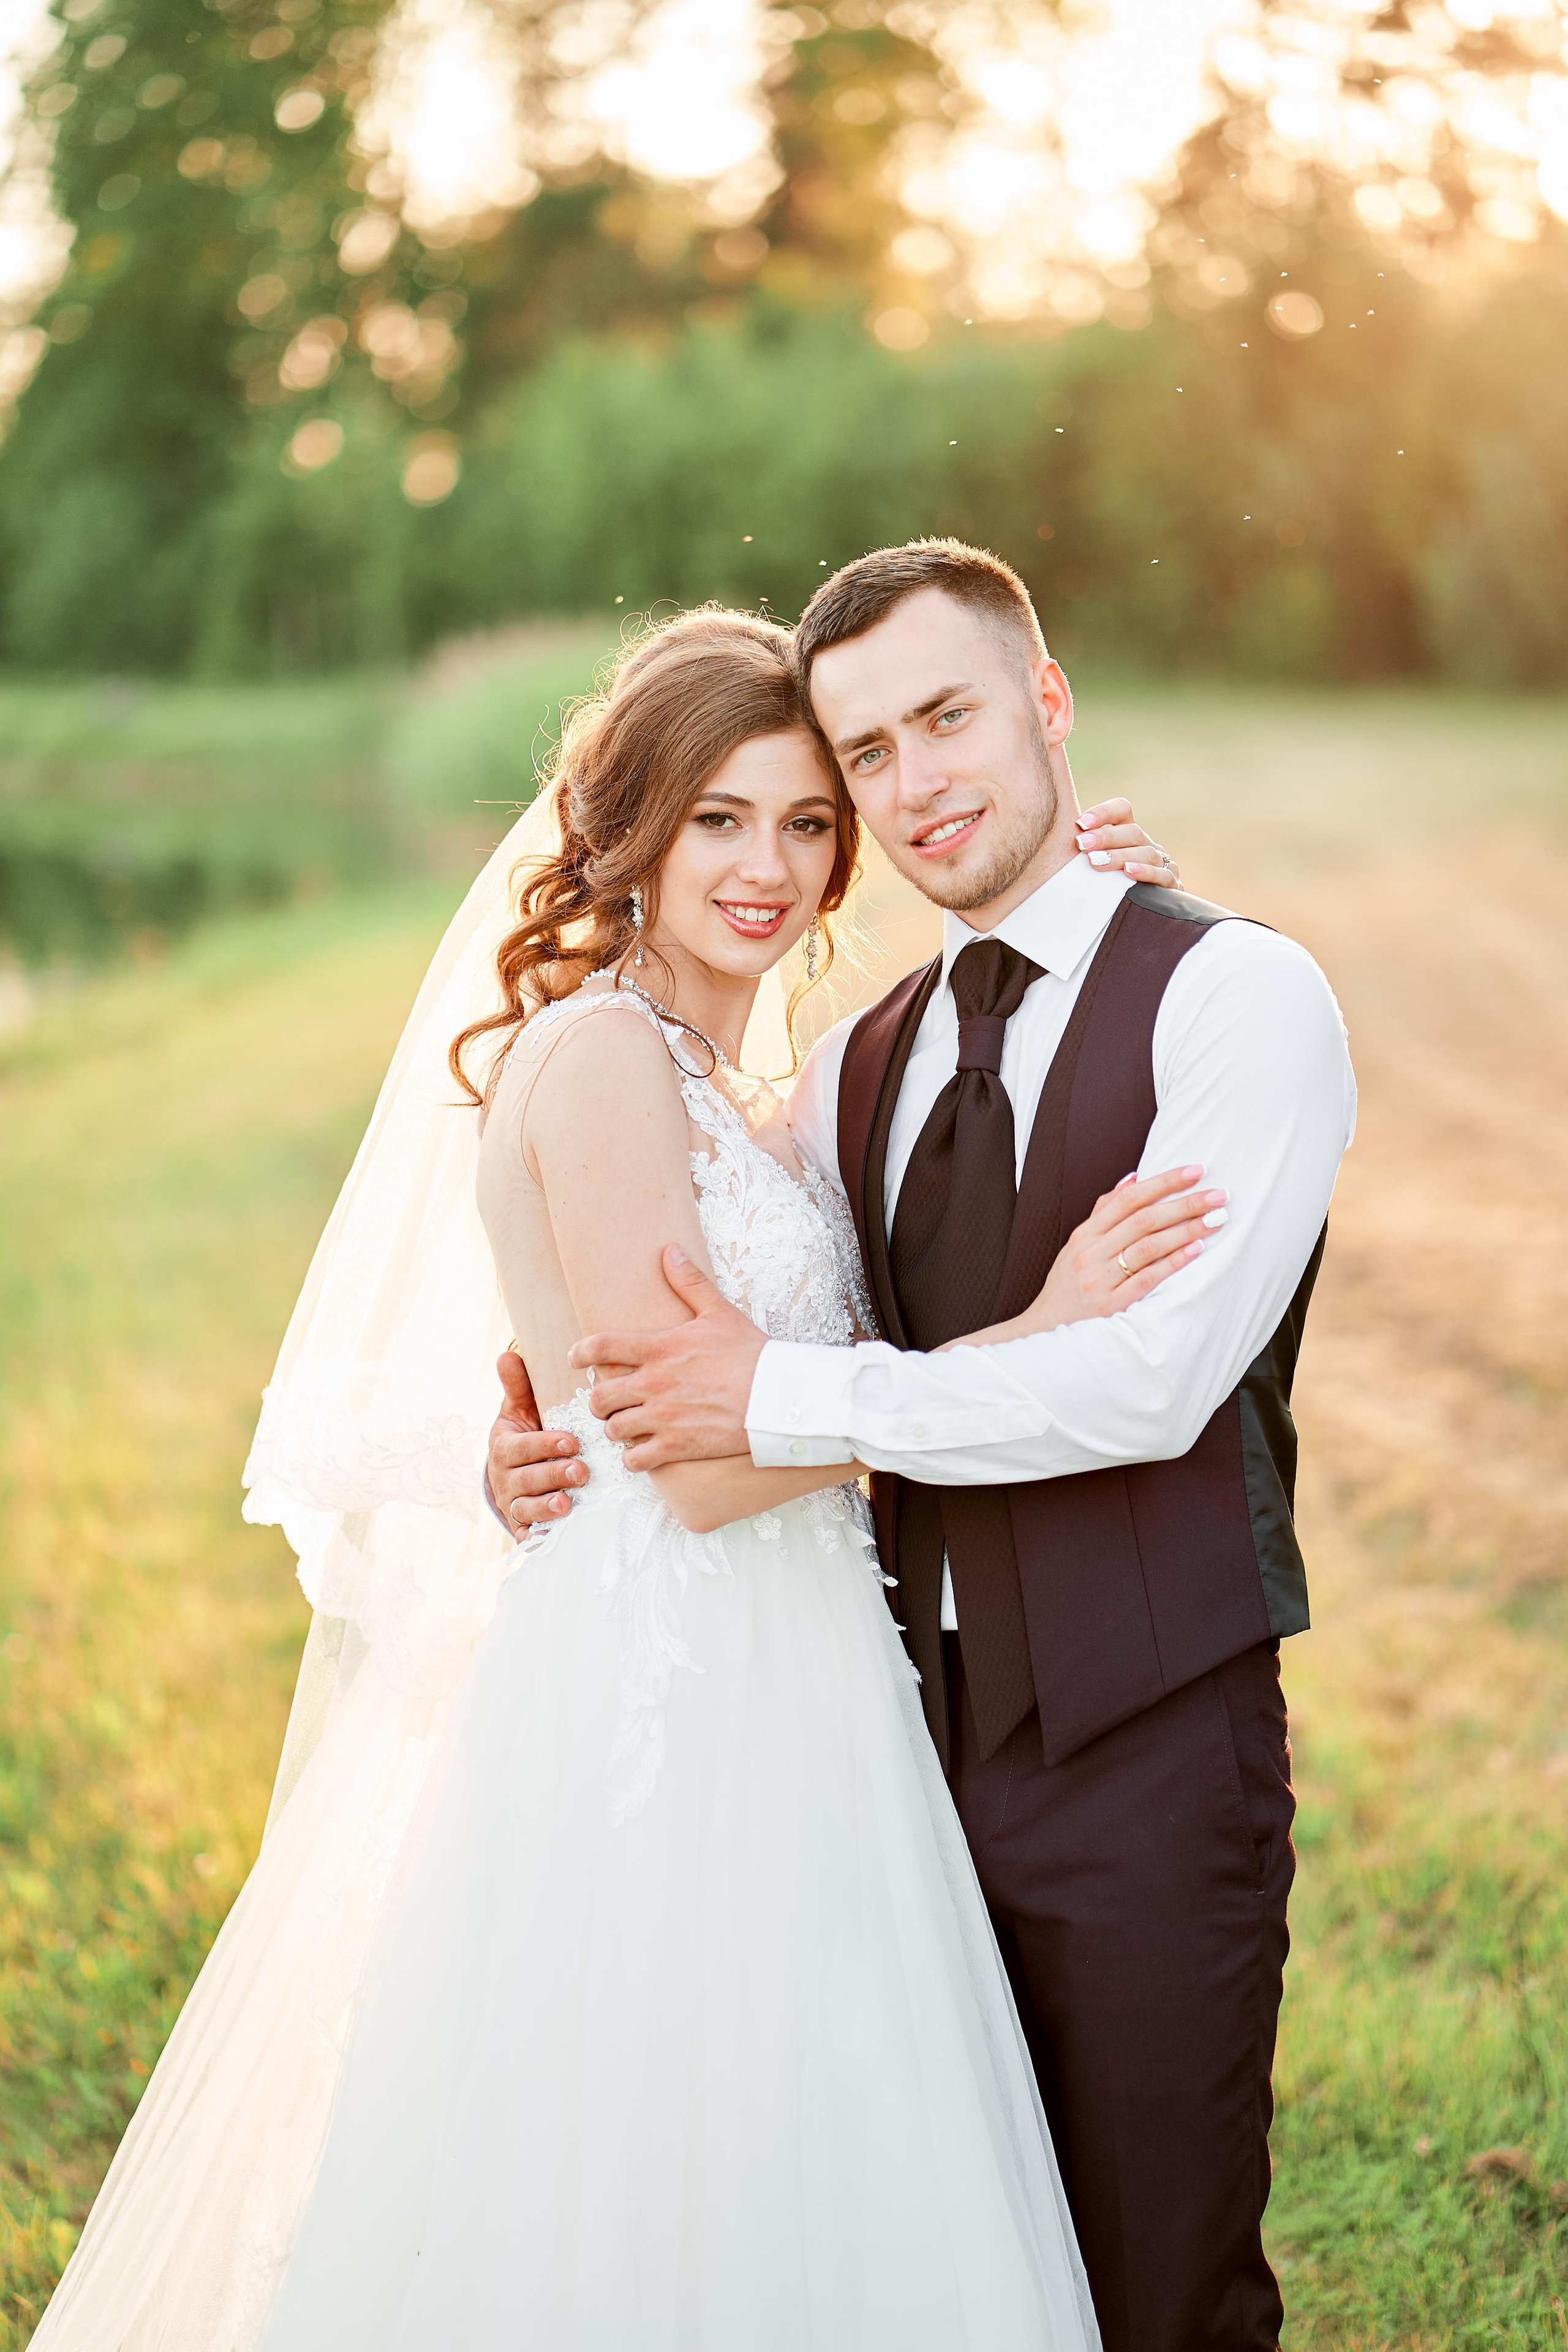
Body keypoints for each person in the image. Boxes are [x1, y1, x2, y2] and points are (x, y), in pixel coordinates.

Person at [29, 602, 1196, 2351]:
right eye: (720, 819)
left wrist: (1068, 914)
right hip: (679, 1704)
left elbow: (879, 1100)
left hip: (797, 1682)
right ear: (631, 828)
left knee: (813, 2158)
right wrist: (1039, 1341)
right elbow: (696, 1472)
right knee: (649, 2180)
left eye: (810, 822)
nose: (771, 867)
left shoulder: (734, 1083)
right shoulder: (596, 1061)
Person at [492, 543, 1357, 2352]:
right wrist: (535, 1438)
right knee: (918, 2259)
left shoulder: (1234, 1000)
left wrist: (779, 1401)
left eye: (945, 719)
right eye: (863, 758)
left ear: (1049, 704)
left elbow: (1145, 1385)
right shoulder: (856, 1064)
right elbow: (651, 1327)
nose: (908, 787)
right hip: (875, 1751)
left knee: (1149, 2283)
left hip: (1142, 1751)